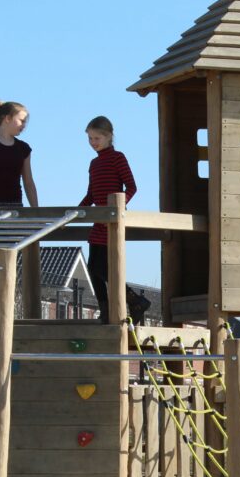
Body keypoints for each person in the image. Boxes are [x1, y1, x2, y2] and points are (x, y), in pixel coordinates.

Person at [79, 116, 150, 324]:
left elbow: (132, 187)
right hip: (98, 221)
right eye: (90, 138)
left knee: (104, 268)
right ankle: (106, 308)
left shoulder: (118, 158)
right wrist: (77, 211)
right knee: (93, 268)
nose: (93, 142)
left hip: (112, 221)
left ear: (109, 136)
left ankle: (134, 300)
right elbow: (91, 194)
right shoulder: (94, 163)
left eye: (97, 138)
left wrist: (117, 208)